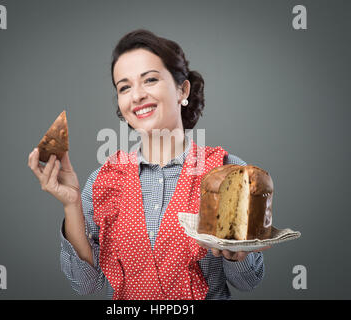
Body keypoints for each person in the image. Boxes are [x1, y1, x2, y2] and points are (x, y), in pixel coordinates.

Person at [28, 29, 270, 300]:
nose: (137, 95)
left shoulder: (226, 172)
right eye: (124, 87)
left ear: (183, 89)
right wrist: (71, 204)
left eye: (150, 80)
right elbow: (86, 286)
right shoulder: (103, 181)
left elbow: (248, 281)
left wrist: (236, 254)